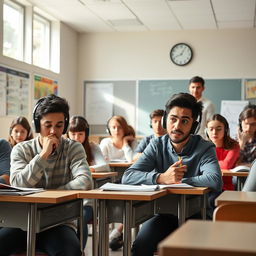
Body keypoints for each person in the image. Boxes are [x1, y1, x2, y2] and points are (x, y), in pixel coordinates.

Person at [122, 92, 222, 256]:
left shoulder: (204, 147)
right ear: (164, 120)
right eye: (173, 119)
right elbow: (128, 176)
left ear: (194, 126)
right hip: (165, 214)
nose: (177, 126)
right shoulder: (156, 145)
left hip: (197, 215)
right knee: (140, 246)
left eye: (184, 121)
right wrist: (161, 178)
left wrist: (179, 179)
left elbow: (215, 180)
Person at [0, 94, 93, 256]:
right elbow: (17, 183)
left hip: (60, 222)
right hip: (23, 222)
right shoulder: (21, 150)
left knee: (70, 252)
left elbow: (85, 182)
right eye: (47, 125)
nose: (53, 131)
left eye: (59, 126)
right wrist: (43, 155)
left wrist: (49, 196)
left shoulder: (73, 148)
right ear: (37, 125)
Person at [67, 115, 110, 247]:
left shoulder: (92, 147)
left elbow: (105, 166)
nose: (76, 138)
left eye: (80, 134)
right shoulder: (63, 147)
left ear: (86, 134)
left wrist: (85, 169)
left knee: (80, 219)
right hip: (67, 198)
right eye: (73, 134)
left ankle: (80, 251)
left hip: (87, 201)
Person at [206, 114, 240, 190]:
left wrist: (208, 164)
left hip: (225, 187)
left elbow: (226, 165)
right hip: (206, 187)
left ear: (225, 130)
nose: (214, 132)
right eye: (211, 129)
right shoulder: (203, 146)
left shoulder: (234, 145)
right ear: (207, 131)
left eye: (219, 129)